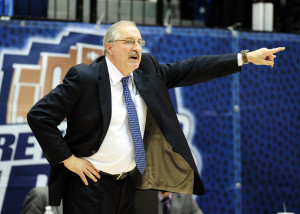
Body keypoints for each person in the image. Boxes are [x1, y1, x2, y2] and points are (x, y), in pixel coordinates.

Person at [27, 20, 285, 214]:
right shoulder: (85, 78)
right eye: (128, 41)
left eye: (139, 42)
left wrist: (245, 57)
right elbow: (39, 116)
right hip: (89, 188)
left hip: (128, 184)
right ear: (110, 48)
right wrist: (68, 160)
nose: (136, 47)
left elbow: (191, 68)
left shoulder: (146, 71)